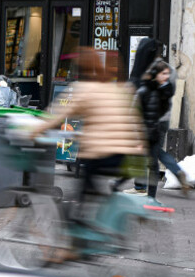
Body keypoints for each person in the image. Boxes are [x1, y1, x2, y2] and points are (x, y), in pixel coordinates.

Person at [32, 47, 146, 200]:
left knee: (83, 194)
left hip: (102, 156)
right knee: (94, 192)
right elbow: (134, 119)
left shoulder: (83, 89)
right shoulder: (119, 89)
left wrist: (34, 130)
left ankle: (82, 216)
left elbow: (57, 115)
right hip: (125, 156)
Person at [125, 59, 189, 202]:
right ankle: (176, 173)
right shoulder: (168, 71)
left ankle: (142, 187)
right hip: (161, 122)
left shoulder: (156, 71)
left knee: (150, 152)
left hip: (153, 123)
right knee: (155, 151)